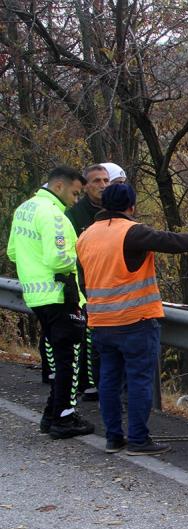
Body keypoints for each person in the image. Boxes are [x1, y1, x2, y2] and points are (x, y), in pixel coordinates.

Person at [77, 183, 188, 455]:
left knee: (109, 381)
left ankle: (113, 438)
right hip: (134, 321)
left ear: (103, 205)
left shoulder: (85, 236)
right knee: (139, 381)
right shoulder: (132, 232)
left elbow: (85, 279)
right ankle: (138, 439)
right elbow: (175, 242)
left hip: (100, 322)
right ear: (131, 206)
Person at [7, 166, 96, 439]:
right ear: (59, 186)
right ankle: (64, 418)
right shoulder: (54, 216)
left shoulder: (24, 209)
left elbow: (12, 252)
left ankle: (52, 414)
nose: (76, 200)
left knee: (59, 358)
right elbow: (59, 260)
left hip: (36, 295)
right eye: (75, 193)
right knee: (69, 358)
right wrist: (79, 256)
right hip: (60, 295)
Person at [66, 163, 111, 401]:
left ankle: (108, 385)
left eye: (106, 180)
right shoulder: (73, 214)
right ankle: (88, 384)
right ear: (85, 186)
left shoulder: (115, 210)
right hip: (84, 285)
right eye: (97, 181)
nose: (102, 185)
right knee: (87, 337)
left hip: (111, 284)